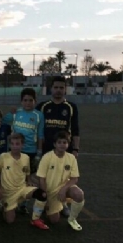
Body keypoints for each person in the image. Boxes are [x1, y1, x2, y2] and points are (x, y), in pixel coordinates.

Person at [36, 76, 80, 217]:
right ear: (51, 88)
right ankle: (45, 202)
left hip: (64, 150)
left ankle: (64, 204)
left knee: (64, 177)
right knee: (45, 178)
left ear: (65, 89)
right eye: (56, 87)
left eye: (61, 88)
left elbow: (76, 130)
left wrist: (75, 149)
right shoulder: (43, 106)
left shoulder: (71, 107)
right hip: (46, 149)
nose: (59, 90)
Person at [0, 133, 48, 228]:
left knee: (42, 194)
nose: (15, 146)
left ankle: (35, 219)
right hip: (8, 193)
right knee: (9, 221)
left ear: (22, 145)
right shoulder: (3, 157)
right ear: (9, 145)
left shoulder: (26, 157)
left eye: (17, 144)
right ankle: (5, 206)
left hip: (22, 189)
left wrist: (29, 180)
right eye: (12, 144)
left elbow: (26, 171)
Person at [3, 88, 44, 214]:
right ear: (21, 101)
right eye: (25, 100)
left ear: (35, 101)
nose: (28, 103)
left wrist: (39, 152)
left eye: (30, 100)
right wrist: (10, 112)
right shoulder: (16, 113)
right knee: (15, 176)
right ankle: (12, 200)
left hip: (30, 152)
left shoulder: (39, 115)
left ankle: (24, 204)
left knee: (29, 178)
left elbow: (40, 134)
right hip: (14, 151)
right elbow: (2, 121)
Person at [35, 131, 85, 231]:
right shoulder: (47, 157)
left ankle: (72, 219)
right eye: (59, 142)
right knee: (54, 220)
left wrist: (64, 189)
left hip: (64, 188)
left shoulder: (71, 158)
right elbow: (42, 179)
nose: (62, 145)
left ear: (68, 144)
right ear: (54, 144)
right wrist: (45, 198)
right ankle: (59, 204)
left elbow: (74, 178)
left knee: (79, 194)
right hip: (51, 192)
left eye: (64, 142)